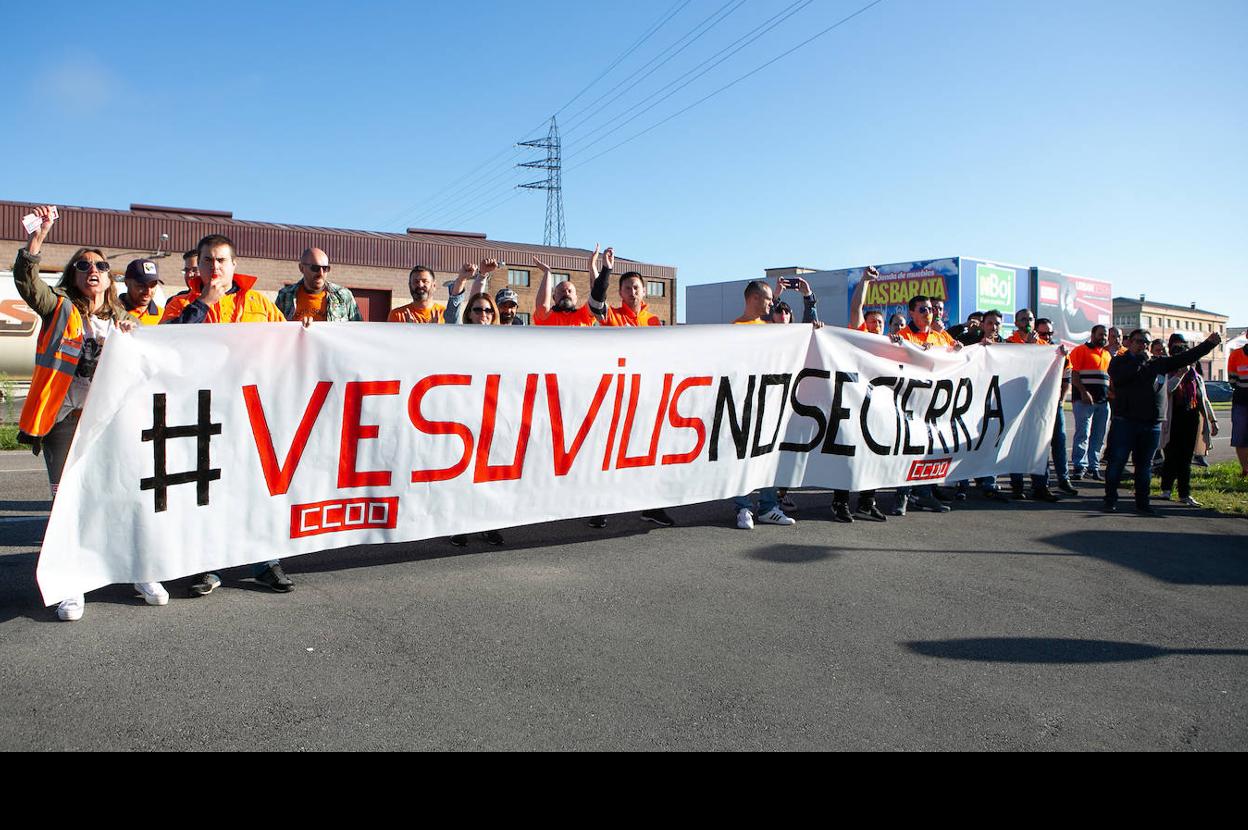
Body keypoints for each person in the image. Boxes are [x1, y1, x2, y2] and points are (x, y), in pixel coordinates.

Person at [14, 206, 168, 620]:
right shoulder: (59, 306)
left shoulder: (122, 316)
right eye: (83, 265)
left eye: (100, 265)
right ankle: (72, 581)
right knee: (67, 501)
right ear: (74, 276)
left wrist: (134, 337)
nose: (93, 270)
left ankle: (139, 569)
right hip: (64, 417)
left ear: (108, 276)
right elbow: (27, 282)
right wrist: (39, 237)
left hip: (112, 418)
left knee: (126, 492)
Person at [163, 233, 293, 594]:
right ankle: (207, 566)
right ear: (198, 266)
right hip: (201, 411)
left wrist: (306, 332)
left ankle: (266, 562)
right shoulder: (180, 304)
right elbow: (167, 346)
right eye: (208, 261)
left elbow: (289, 346)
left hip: (250, 410)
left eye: (222, 260)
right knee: (206, 490)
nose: (215, 267)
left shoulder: (260, 304)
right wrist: (204, 302)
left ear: (235, 265)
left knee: (258, 487)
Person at [1102, 328, 1221, 514]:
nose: (1143, 345)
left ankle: (1143, 504)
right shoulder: (1119, 362)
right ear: (1130, 343)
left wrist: (1209, 344)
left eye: (1146, 343)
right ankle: (1110, 500)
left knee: (1144, 466)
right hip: (1125, 421)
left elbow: (1186, 357)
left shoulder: (1158, 363)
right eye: (1139, 341)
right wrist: (1140, 361)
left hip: (1151, 424)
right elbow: (1120, 378)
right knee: (1117, 462)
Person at [731, 281, 796, 529]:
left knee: (768, 454)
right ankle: (743, 507)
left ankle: (769, 507)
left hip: (767, 403)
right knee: (742, 459)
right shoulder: (735, 329)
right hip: (743, 403)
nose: (772, 303)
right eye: (768, 299)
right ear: (755, 298)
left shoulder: (768, 329)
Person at [891, 295, 959, 515]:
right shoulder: (904, 335)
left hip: (934, 405)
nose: (928, 313)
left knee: (929, 450)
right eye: (922, 309)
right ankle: (902, 495)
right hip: (909, 403)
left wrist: (960, 349)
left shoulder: (941, 338)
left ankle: (924, 494)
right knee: (909, 449)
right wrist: (918, 350)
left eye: (929, 309)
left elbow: (959, 355)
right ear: (911, 313)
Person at [1006, 316, 1067, 502]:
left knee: (1040, 444)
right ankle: (1017, 486)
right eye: (1023, 319)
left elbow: (1064, 373)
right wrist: (1028, 347)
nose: (1027, 322)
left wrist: (1061, 355)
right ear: (1016, 322)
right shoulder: (1008, 343)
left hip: (1040, 403)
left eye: (1030, 319)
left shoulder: (1047, 347)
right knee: (1015, 443)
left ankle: (1041, 486)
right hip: (1016, 402)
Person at [1158, 334, 1219, 505]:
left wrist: (1213, 421)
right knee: (1171, 456)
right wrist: (1179, 374)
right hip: (1171, 419)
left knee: (1186, 458)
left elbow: (1203, 400)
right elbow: (1167, 391)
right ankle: (1166, 490)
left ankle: (1185, 494)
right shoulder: (1167, 372)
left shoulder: (1196, 377)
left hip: (1190, 419)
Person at [1068, 324, 1112, 481]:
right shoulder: (1080, 350)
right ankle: (1079, 466)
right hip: (1083, 400)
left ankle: (1094, 467)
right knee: (1083, 434)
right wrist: (1083, 392)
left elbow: (1108, 378)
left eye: (1105, 335)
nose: (1103, 337)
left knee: (1099, 436)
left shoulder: (1107, 354)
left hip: (1103, 401)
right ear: (1092, 335)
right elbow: (1074, 374)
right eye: (1100, 334)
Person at [275, 248, 362, 323]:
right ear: (301, 268)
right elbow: (277, 331)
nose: (321, 273)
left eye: (325, 268)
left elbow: (358, 331)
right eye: (315, 268)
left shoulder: (343, 296)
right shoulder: (285, 296)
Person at [533, 249, 601, 327]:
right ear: (554, 298)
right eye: (562, 291)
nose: (566, 293)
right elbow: (543, 306)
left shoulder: (583, 316)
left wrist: (592, 266)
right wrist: (547, 272)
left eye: (570, 291)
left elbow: (597, 299)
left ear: (576, 298)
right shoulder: (546, 316)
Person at [444, 259, 502, 324]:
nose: (483, 314)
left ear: (493, 315)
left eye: (488, 310)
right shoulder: (461, 333)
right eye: (477, 310)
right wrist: (461, 280)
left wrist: (482, 274)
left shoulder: (500, 333)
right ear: (469, 314)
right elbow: (452, 315)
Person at [119, 259, 164, 325]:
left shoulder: (163, 315)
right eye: (142, 286)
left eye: (152, 286)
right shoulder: (112, 312)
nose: (148, 292)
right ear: (126, 282)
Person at [1230, 340, 1248, 476]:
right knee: (1240, 436)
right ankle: (1245, 469)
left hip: (1241, 397)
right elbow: (1232, 380)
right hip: (1241, 401)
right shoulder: (1236, 354)